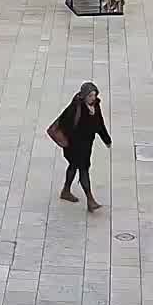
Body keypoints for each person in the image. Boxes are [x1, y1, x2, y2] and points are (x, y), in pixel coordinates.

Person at [51, 82, 111, 211]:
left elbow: (100, 123)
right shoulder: (75, 108)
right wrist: (72, 140)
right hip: (74, 146)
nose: (93, 98)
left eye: (94, 95)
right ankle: (90, 200)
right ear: (84, 96)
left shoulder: (96, 106)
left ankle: (66, 190)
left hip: (86, 145)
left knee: (73, 166)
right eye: (90, 96)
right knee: (83, 169)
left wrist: (106, 139)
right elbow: (64, 125)